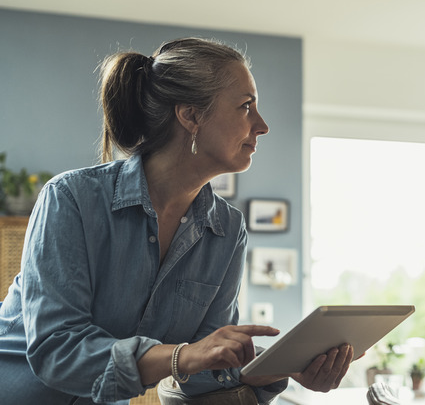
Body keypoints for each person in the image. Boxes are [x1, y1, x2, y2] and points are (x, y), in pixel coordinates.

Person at [0, 37, 354, 404]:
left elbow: (205, 371)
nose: (262, 125)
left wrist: (288, 367)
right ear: (190, 116)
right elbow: (56, 350)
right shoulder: (71, 198)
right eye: (246, 106)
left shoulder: (228, 231)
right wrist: (182, 355)